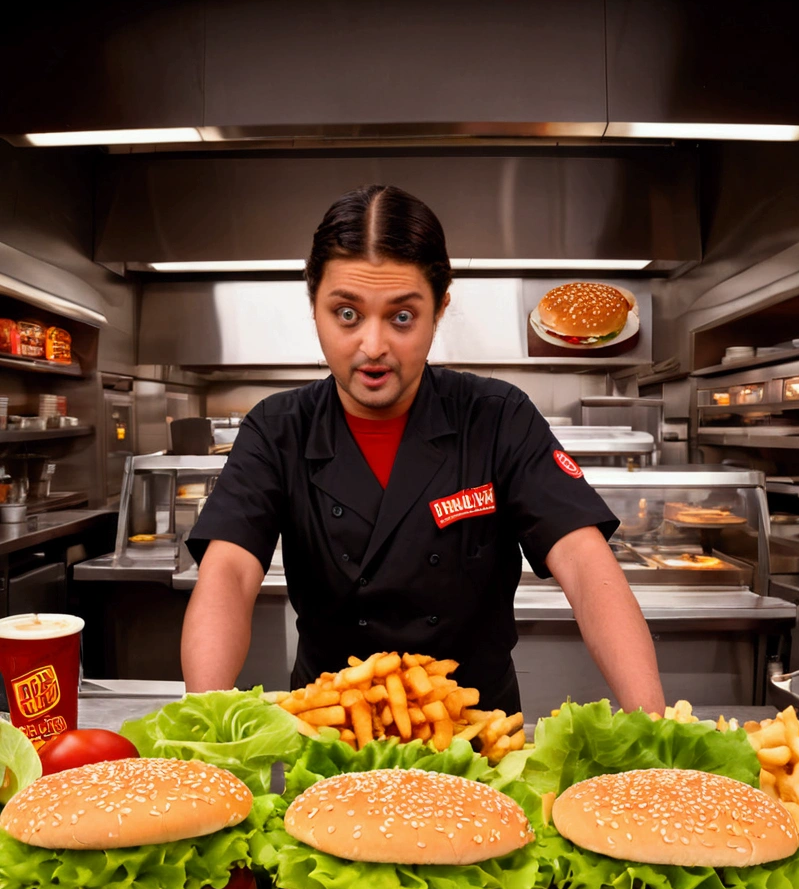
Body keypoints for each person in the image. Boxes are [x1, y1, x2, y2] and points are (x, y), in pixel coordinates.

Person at [182, 185, 666, 716]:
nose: (373, 346)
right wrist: (204, 721)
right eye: (346, 314)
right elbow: (228, 572)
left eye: (402, 317)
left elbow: (584, 561)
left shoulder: (497, 415)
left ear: (440, 308)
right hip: (331, 735)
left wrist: (651, 724)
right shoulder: (277, 428)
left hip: (476, 737)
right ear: (314, 305)